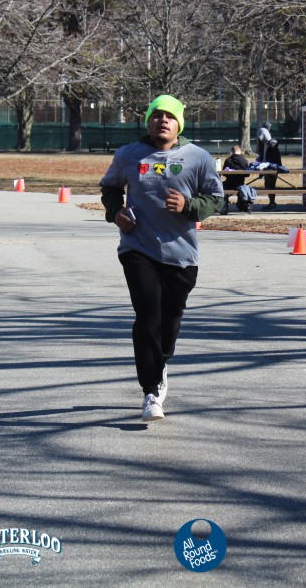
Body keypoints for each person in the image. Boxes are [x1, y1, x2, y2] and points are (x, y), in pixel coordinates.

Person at [100, 95, 224, 423]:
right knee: (147, 317)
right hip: (137, 249)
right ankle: (151, 391)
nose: (163, 120)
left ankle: (160, 363)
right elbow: (110, 189)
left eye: (170, 116)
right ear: (149, 121)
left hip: (181, 255)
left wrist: (189, 206)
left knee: (169, 323)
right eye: (157, 115)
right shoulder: (128, 155)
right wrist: (116, 213)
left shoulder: (197, 157)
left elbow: (216, 198)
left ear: (179, 123)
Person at [220, 145, 251, 214]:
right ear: (240, 151)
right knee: (243, 188)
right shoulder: (244, 161)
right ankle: (242, 205)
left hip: (229, 184)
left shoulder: (228, 160)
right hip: (240, 184)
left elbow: (224, 173)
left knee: (221, 186)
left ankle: (224, 205)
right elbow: (247, 174)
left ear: (232, 152)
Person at [259, 137, 282, 211]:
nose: (272, 144)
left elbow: (277, 162)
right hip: (268, 170)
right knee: (268, 186)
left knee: (270, 186)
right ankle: (271, 202)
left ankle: (272, 203)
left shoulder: (274, 150)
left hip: (272, 171)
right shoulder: (269, 149)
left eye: (273, 143)